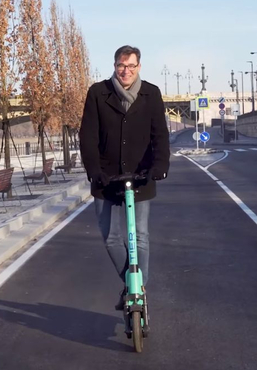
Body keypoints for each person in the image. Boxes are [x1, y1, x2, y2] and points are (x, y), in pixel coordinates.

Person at [79, 45, 170, 310]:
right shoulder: (98, 93)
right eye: (121, 65)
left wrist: (160, 166)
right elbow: (88, 136)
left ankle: (138, 290)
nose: (125, 71)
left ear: (139, 67)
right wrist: (94, 171)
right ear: (115, 65)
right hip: (106, 177)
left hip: (141, 175)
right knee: (110, 236)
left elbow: (160, 135)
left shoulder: (151, 94)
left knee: (140, 235)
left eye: (131, 66)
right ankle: (132, 283)